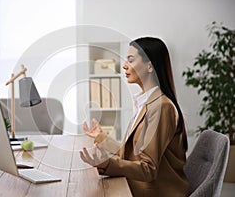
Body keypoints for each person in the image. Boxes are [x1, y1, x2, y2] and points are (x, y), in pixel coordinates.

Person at [80, 37, 190, 197]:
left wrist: (106, 163)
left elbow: (148, 169)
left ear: (149, 66)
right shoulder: (146, 102)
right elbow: (132, 154)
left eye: (130, 60)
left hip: (157, 192)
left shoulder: (161, 107)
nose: (124, 65)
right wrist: (101, 137)